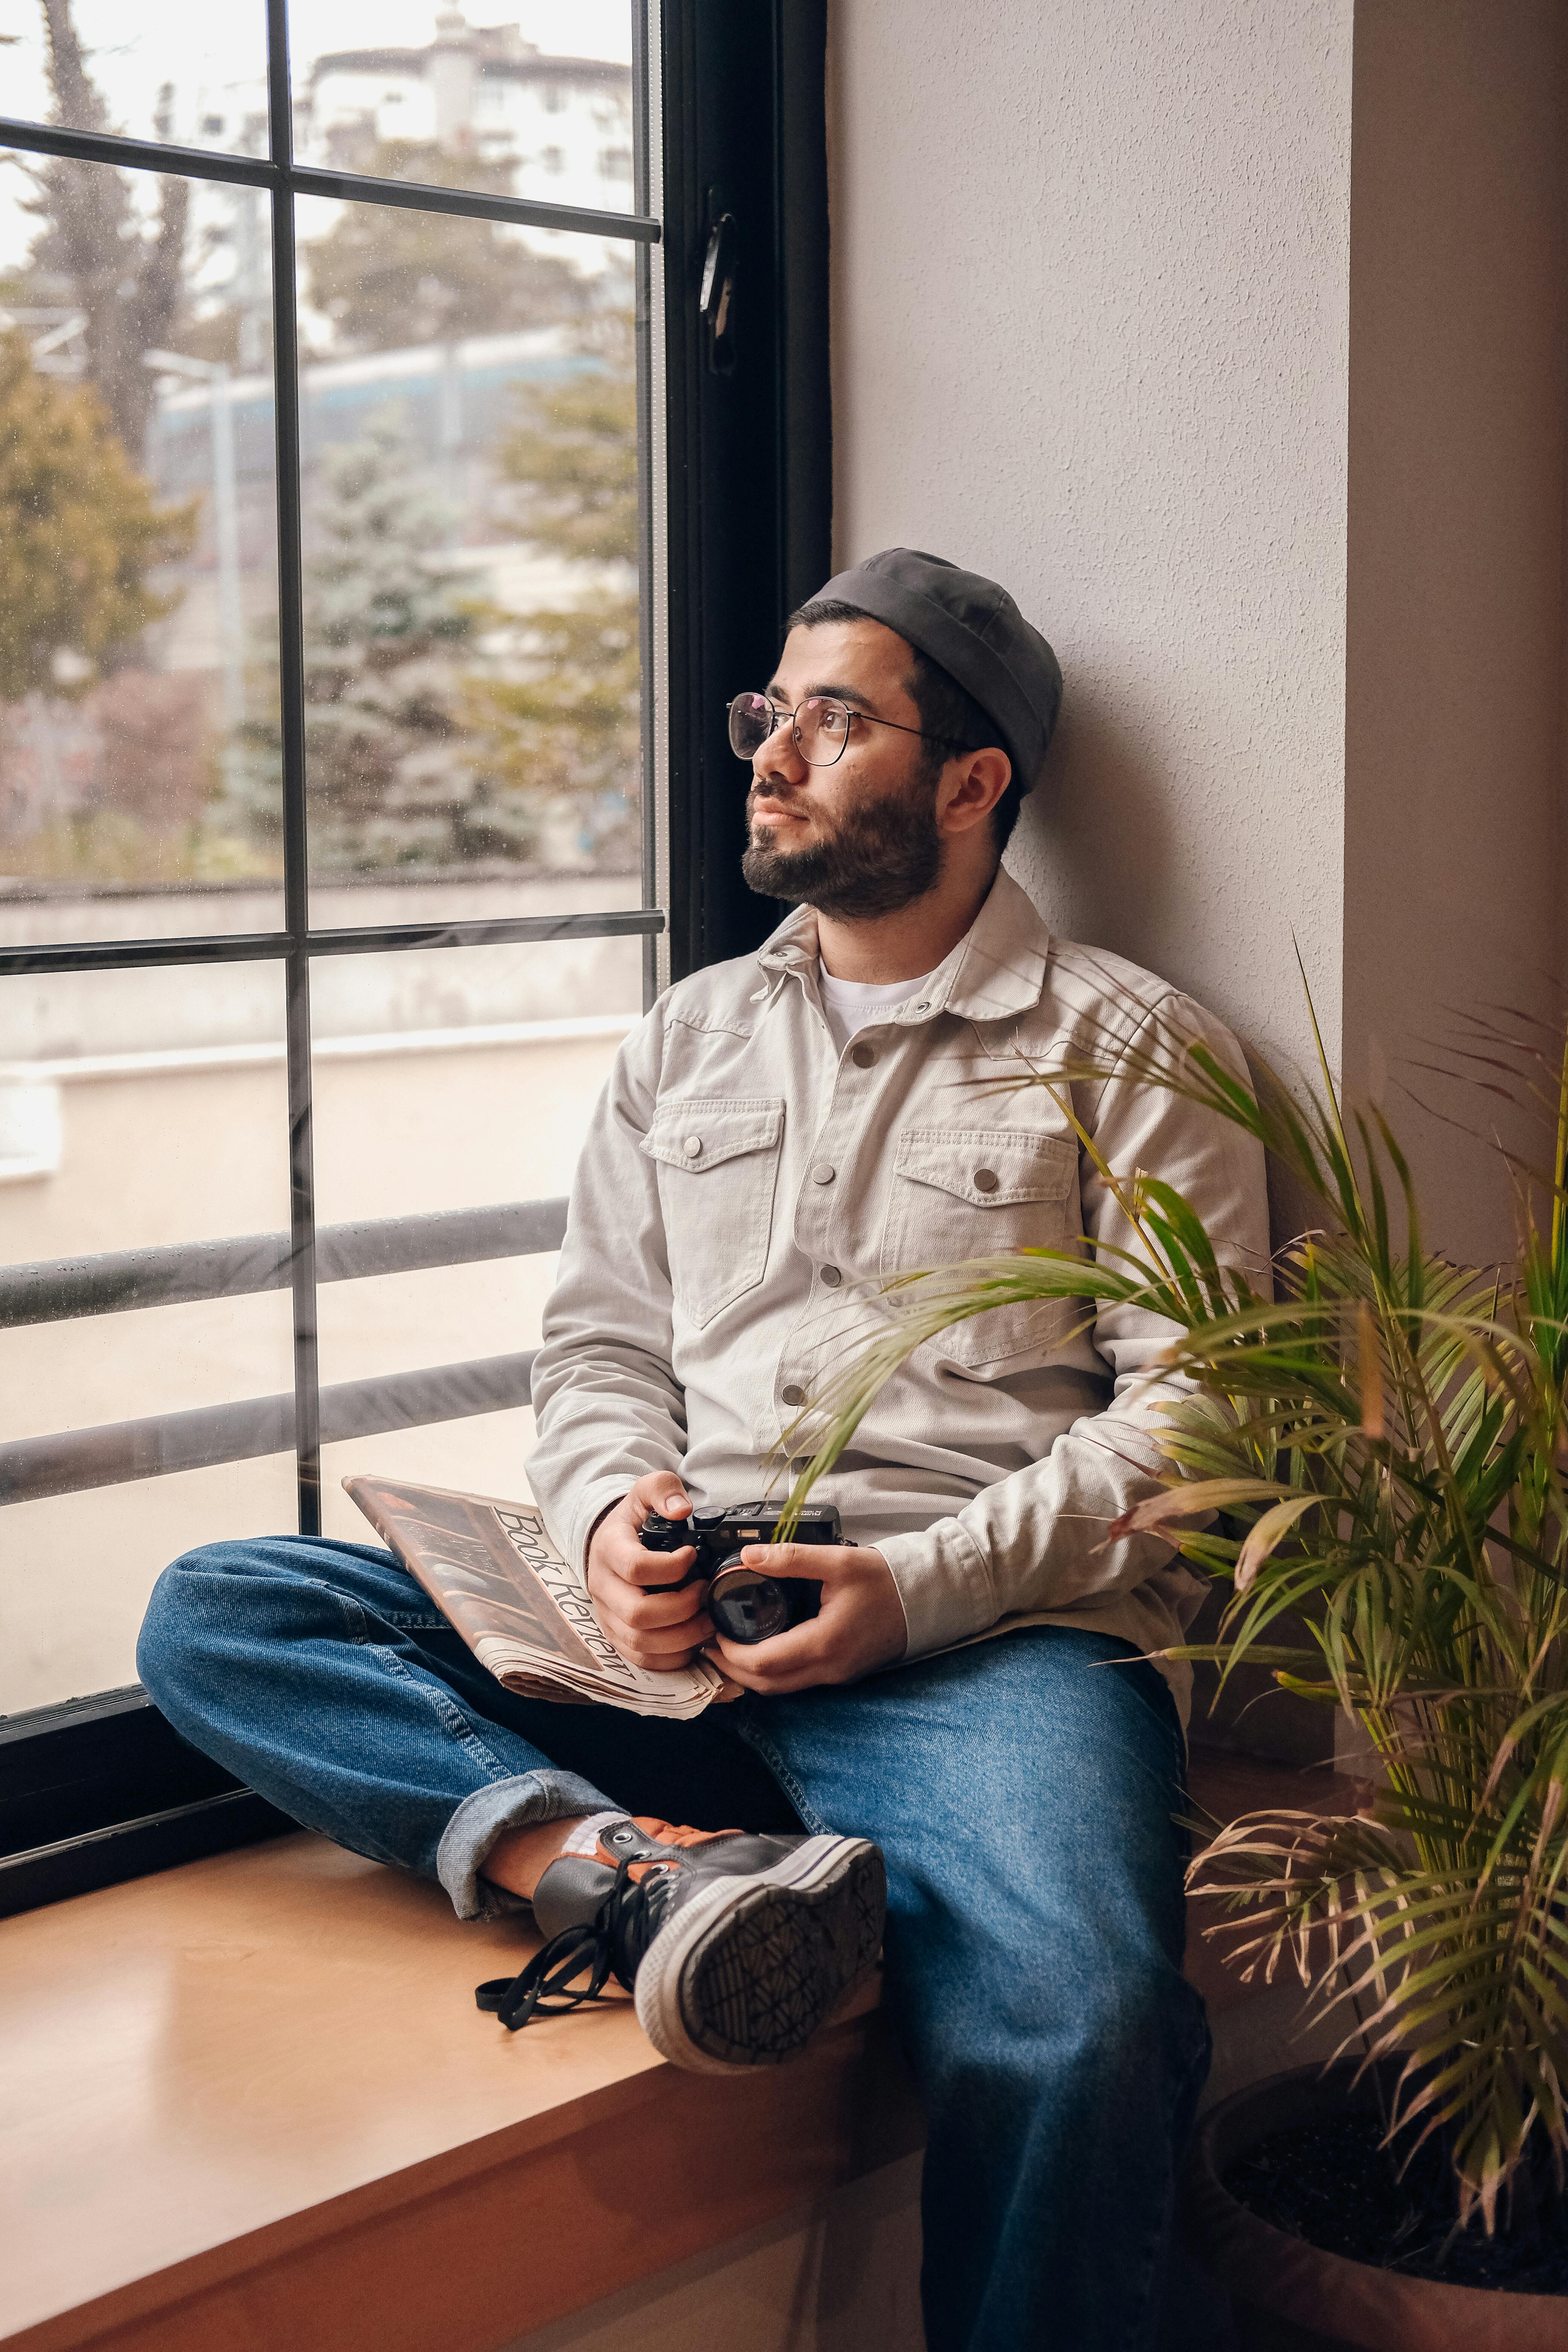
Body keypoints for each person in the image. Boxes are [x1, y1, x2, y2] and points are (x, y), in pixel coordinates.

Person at [139, 548, 1268, 2351]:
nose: (770, 752)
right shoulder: (689, 1038)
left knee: (1082, 2021)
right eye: (771, 710)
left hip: (979, 1654)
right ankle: (633, 1877)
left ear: (971, 783)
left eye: (835, 718)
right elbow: (595, 1345)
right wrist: (604, 1521)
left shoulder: (1126, 1049)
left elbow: (1204, 1409)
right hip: (670, 1634)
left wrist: (910, 1593)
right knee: (223, 1606)